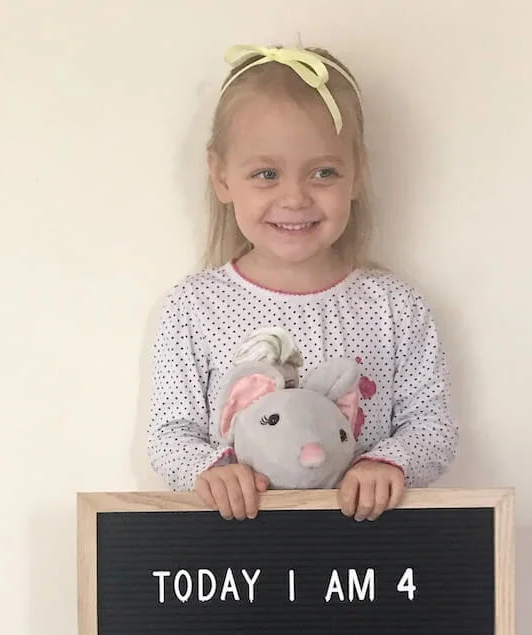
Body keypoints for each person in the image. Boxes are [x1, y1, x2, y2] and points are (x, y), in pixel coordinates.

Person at [146, 44, 458, 521]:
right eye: (266, 174)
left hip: (364, 560)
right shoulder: (193, 307)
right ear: (221, 176)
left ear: (357, 174)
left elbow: (432, 425)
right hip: (242, 559)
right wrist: (213, 469)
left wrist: (387, 463)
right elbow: (170, 434)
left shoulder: (395, 306)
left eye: (323, 172)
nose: (294, 197)